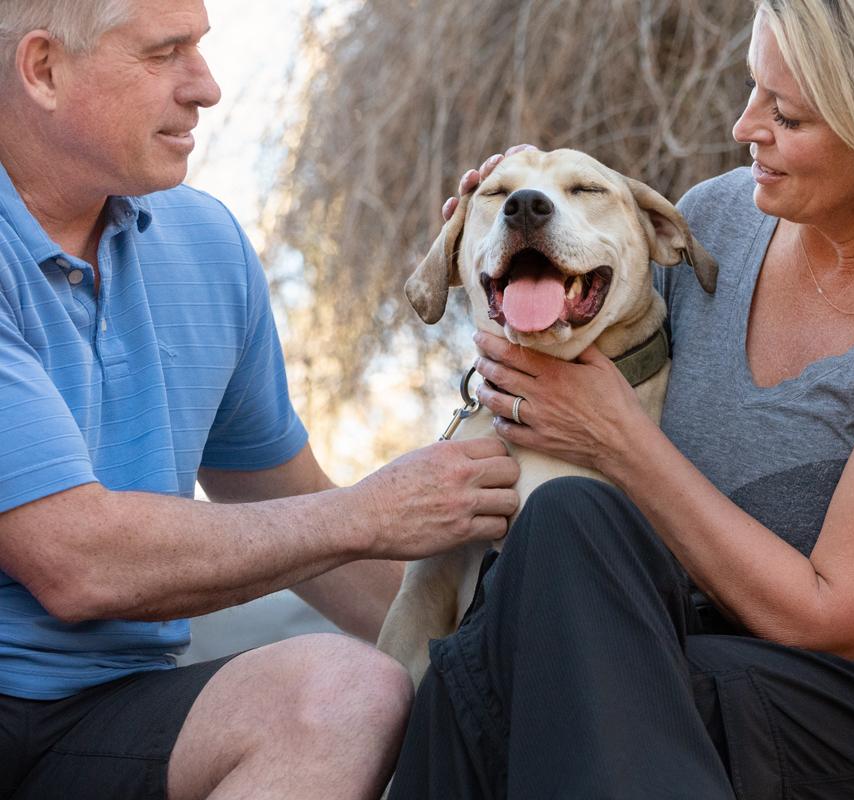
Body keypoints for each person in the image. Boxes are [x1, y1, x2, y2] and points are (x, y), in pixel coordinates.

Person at [388, 1, 854, 797]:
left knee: (535, 666)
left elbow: (840, 625)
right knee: (555, 543)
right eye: (753, 89)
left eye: (786, 114)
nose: (746, 127)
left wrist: (619, 442)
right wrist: (507, 230)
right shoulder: (718, 220)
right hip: (675, 662)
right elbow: (591, 308)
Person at [0, 1, 520, 799]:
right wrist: (372, 512)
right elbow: (76, 561)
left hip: (103, 712)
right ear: (43, 69)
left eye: (199, 47)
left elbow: (293, 512)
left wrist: (519, 666)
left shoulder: (204, 244)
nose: (205, 87)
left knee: (345, 694)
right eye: (165, 53)